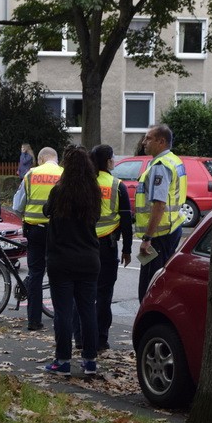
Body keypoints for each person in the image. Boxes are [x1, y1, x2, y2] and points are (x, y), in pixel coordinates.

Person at [43, 146, 101, 375]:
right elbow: (95, 218)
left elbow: (48, 211)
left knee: (63, 312)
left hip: (61, 259)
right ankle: (89, 361)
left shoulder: (59, 191)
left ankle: (63, 360)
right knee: (88, 311)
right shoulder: (94, 192)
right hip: (88, 258)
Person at [73, 144, 132, 352]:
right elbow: (126, 220)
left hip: (82, 245)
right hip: (106, 246)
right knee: (104, 294)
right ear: (108, 161)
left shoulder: (83, 183)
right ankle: (100, 339)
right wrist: (127, 249)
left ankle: (79, 337)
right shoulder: (117, 185)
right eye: (113, 158)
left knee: (79, 293)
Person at [12, 147, 62, 330]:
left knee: (35, 274)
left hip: (35, 231)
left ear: (40, 159)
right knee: (58, 274)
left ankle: (34, 321)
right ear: (56, 159)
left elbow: (17, 206)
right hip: (58, 231)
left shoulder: (31, 175)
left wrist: (27, 215)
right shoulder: (64, 174)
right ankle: (61, 319)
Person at [136, 124, 187, 301]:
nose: (144, 142)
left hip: (158, 235)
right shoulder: (174, 160)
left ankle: (147, 325)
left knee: (148, 287)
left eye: (148, 138)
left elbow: (159, 204)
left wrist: (147, 239)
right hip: (171, 230)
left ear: (161, 141)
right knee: (161, 280)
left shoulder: (160, 166)